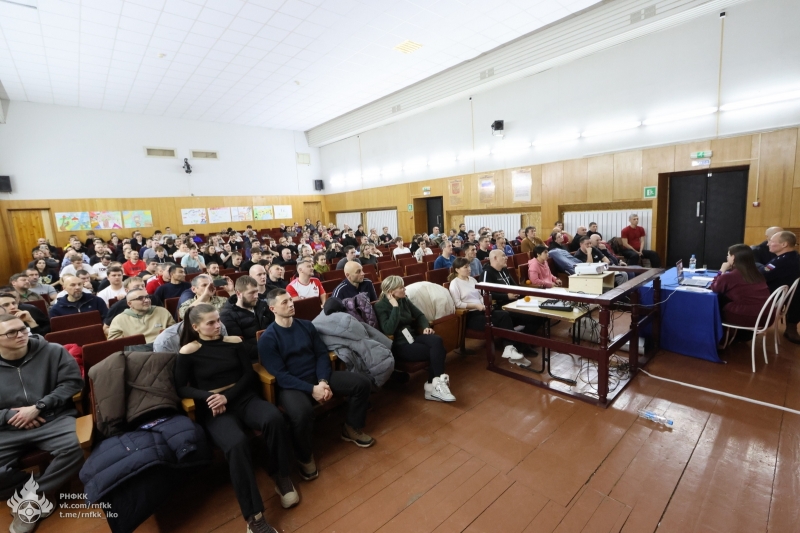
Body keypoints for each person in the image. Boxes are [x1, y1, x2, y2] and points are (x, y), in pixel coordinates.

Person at [176, 304, 295, 532]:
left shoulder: (233, 342)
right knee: (236, 443)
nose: (217, 325)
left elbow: (248, 374)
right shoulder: (188, 352)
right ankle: (254, 516)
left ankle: (280, 474)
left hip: (242, 398)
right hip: (214, 408)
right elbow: (181, 387)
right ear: (196, 327)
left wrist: (227, 397)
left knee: (274, 418)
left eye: (218, 320)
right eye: (210, 323)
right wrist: (209, 397)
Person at [260, 289, 375, 482]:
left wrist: (322, 381)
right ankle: (304, 456)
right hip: (292, 386)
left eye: (290, 300)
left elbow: (322, 354)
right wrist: (312, 389)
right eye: (284, 302)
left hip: (319, 378)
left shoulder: (306, 326)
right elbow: (281, 376)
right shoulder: (268, 338)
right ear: (273, 309)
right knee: (302, 413)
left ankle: (351, 427)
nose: (291, 304)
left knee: (361, 383)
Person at [0, 315, 84, 529]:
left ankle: (33, 498)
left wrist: (39, 406)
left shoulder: (53, 351)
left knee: (75, 447)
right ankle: (35, 488)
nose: (21, 335)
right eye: (11, 332)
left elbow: (72, 383)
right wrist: (8, 416)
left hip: (53, 417)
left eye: (23, 329)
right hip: (8, 427)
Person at [374, 276, 455, 402]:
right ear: (391, 292)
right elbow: (388, 329)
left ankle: (435, 385)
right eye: (401, 287)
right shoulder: (380, 306)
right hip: (400, 345)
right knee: (439, 351)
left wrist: (425, 327)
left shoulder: (404, 300)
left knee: (436, 340)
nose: (404, 289)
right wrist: (395, 307)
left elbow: (419, 315)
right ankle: (433, 386)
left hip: (412, 338)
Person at [447, 258, 531, 364]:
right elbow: (457, 304)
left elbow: (480, 295)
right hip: (470, 315)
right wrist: (476, 306)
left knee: (504, 315)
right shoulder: (455, 283)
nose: (469, 269)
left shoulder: (472, 280)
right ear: (457, 270)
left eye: (469, 266)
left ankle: (509, 347)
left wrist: (485, 305)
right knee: (498, 320)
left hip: (482, 309)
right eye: (465, 267)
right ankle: (511, 347)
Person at [482, 250, 542, 339]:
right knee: (534, 318)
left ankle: (522, 339)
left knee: (540, 315)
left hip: (514, 303)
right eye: (503, 256)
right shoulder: (487, 272)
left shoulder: (505, 270)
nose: (506, 258)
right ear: (495, 258)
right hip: (501, 306)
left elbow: (515, 286)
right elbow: (484, 293)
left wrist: (523, 294)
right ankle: (521, 340)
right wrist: (506, 296)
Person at [710, 244, 770, 328]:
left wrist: (722, 270)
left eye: (728, 255)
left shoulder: (730, 276)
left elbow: (715, 287)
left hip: (748, 317)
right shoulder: (756, 273)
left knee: (715, 307)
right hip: (767, 316)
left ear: (733, 257)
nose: (727, 258)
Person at [220, 276, 275, 361]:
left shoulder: (263, 306)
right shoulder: (227, 315)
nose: (256, 296)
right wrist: (269, 348)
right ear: (238, 293)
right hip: (253, 359)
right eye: (251, 293)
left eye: (256, 292)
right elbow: (240, 345)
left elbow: (275, 327)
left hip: (274, 350)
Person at [761, 231, 800, 343]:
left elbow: (761, 276)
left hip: (769, 298)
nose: (768, 244)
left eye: (771, 241)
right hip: (784, 298)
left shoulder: (782, 261)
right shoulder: (794, 256)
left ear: (784, 244)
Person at [107, 289, 175, 343]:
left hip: (163, 347)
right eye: (140, 298)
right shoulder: (119, 320)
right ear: (130, 304)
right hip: (136, 352)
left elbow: (175, 333)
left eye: (147, 297)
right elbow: (114, 344)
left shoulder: (162, 311)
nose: (147, 300)